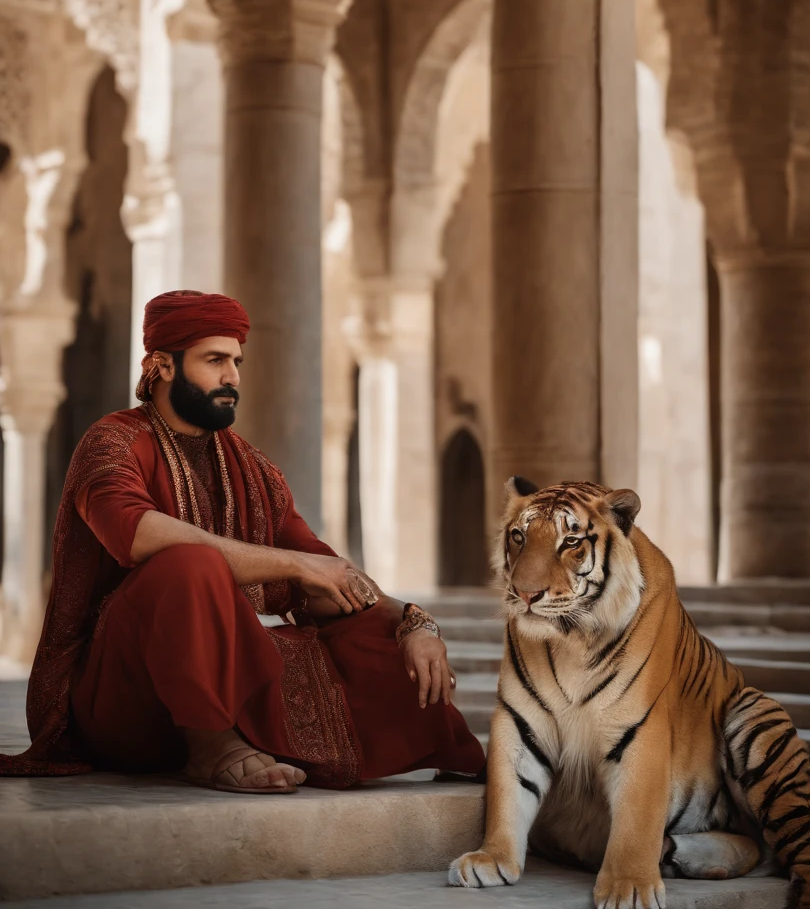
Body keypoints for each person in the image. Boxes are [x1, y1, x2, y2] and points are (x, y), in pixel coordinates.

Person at [0, 290, 484, 793]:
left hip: (212, 687)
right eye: (215, 360)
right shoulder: (112, 441)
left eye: (236, 361)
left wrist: (411, 621)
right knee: (188, 565)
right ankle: (212, 747)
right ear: (162, 365)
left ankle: (448, 746)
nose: (232, 376)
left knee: (366, 623)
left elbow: (324, 568)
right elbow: (135, 534)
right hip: (119, 700)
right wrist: (291, 566)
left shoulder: (252, 468)